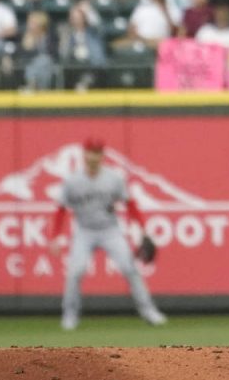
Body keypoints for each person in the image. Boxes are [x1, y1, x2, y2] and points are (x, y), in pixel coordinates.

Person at [48, 138, 167, 330]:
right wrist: (55, 236)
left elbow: (130, 204)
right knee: (75, 272)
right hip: (84, 231)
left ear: (102, 156)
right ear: (84, 154)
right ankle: (70, 315)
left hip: (110, 230)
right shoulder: (72, 180)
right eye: (90, 152)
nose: (93, 156)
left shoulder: (114, 178)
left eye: (97, 153)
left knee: (130, 268)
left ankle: (149, 312)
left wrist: (143, 229)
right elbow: (61, 209)